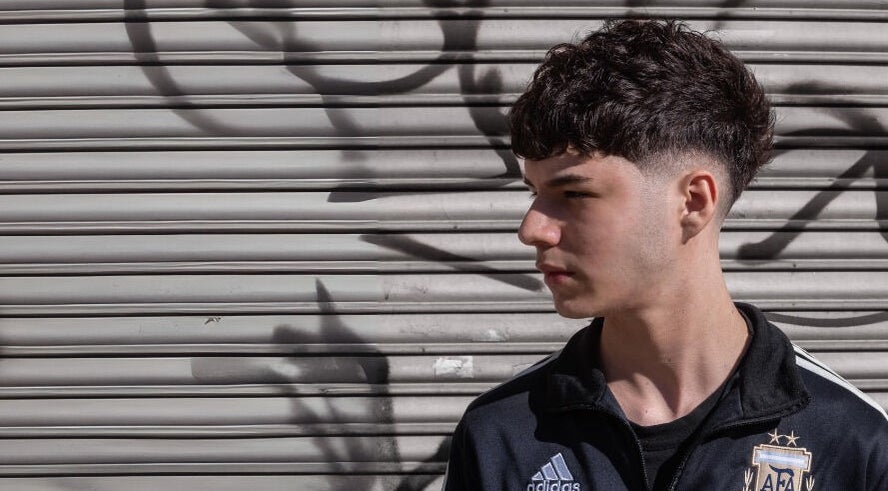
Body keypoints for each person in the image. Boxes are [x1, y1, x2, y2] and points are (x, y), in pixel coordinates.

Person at [442, 19, 888, 491]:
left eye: (573, 193)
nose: (531, 229)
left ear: (693, 202)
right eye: (534, 193)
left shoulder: (850, 441)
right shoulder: (500, 434)